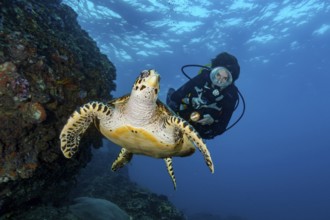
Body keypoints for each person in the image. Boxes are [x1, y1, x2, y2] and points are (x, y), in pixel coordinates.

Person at [166, 52, 241, 139]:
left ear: (230, 80)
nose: (219, 81)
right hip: (184, 111)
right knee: (172, 105)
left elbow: (221, 129)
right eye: (218, 75)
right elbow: (175, 97)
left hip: (200, 127)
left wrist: (212, 121)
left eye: (225, 78)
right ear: (213, 71)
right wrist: (190, 100)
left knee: (207, 134)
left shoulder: (231, 95)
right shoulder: (204, 77)